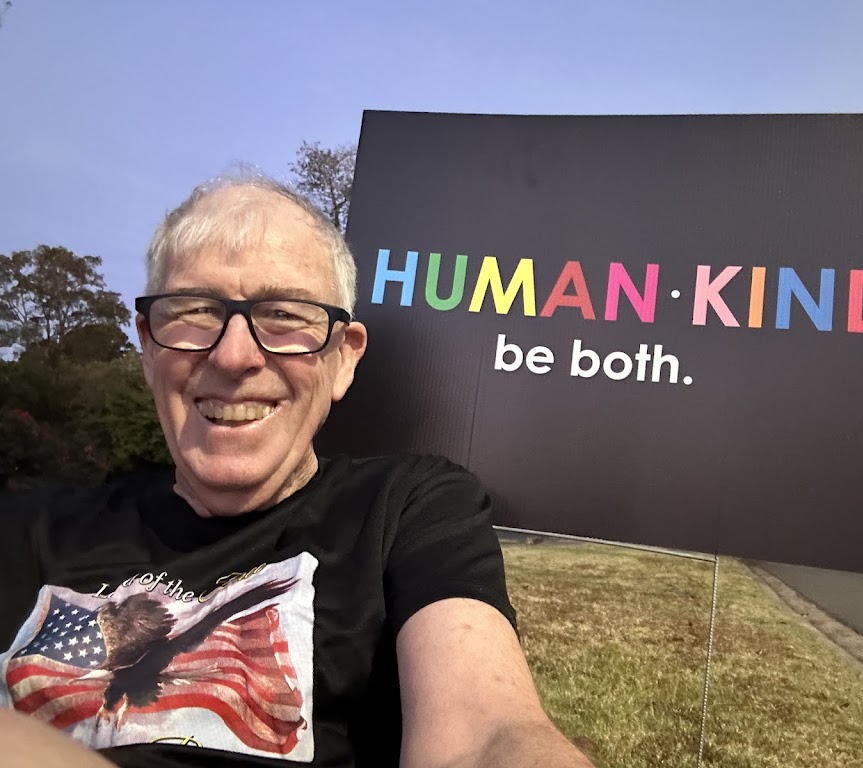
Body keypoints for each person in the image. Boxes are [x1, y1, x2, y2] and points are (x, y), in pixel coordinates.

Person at [0, 173, 595, 768]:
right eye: (197, 310)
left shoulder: (407, 509)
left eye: (284, 314)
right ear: (149, 346)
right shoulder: (26, 530)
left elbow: (487, 736)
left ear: (343, 360)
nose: (234, 356)